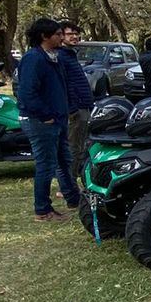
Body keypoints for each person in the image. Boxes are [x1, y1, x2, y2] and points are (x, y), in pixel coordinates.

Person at [18, 17, 79, 222]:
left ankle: (74, 199)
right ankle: (43, 211)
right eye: (58, 34)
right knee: (46, 165)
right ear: (45, 36)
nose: (62, 38)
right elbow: (27, 94)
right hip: (40, 122)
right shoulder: (34, 58)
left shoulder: (53, 57)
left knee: (64, 160)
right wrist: (46, 116)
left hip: (58, 119)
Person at [57, 22, 94, 186]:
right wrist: (72, 109)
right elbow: (63, 85)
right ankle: (67, 185)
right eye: (70, 34)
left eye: (76, 33)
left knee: (80, 146)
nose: (74, 37)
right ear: (61, 36)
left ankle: (73, 181)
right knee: (73, 147)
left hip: (83, 106)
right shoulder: (61, 57)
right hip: (74, 110)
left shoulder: (70, 55)